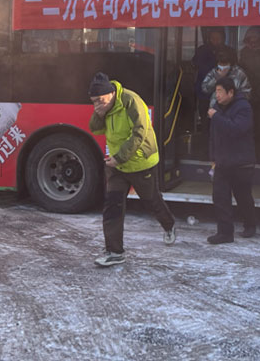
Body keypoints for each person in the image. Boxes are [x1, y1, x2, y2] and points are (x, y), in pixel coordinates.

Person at [88, 72, 176, 267]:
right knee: (112, 206)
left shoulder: (131, 101)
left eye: (100, 100)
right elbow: (95, 129)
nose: (97, 104)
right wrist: (98, 113)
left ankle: (168, 224)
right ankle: (114, 252)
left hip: (140, 162)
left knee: (151, 200)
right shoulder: (104, 106)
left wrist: (119, 157)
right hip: (117, 165)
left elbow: (139, 133)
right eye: (94, 102)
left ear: (111, 93)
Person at [206, 76, 257, 244]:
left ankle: (250, 225)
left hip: (241, 162)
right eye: (216, 91)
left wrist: (216, 117)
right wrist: (213, 157)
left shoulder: (243, 107)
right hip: (222, 161)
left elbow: (236, 129)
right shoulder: (216, 107)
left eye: (220, 91)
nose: (217, 95)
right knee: (220, 197)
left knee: (243, 196)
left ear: (231, 92)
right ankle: (225, 233)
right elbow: (213, 135)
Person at [192, 28, 236, 128]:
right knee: (206, 121)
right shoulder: (201, 50)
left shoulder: (229, 52)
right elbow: (195, 65)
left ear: (223, 38)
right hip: (205, 93)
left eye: (218, 38)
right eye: (213, 38)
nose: (215, 41)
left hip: (225, 93)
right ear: (209, 38)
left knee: (224, 122)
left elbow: (234, 69)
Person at [238, 26, 260, 162]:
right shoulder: (244, 52)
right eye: (250, 39)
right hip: (248, 93)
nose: (253, 42)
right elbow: (241, 71)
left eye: (256, 39)